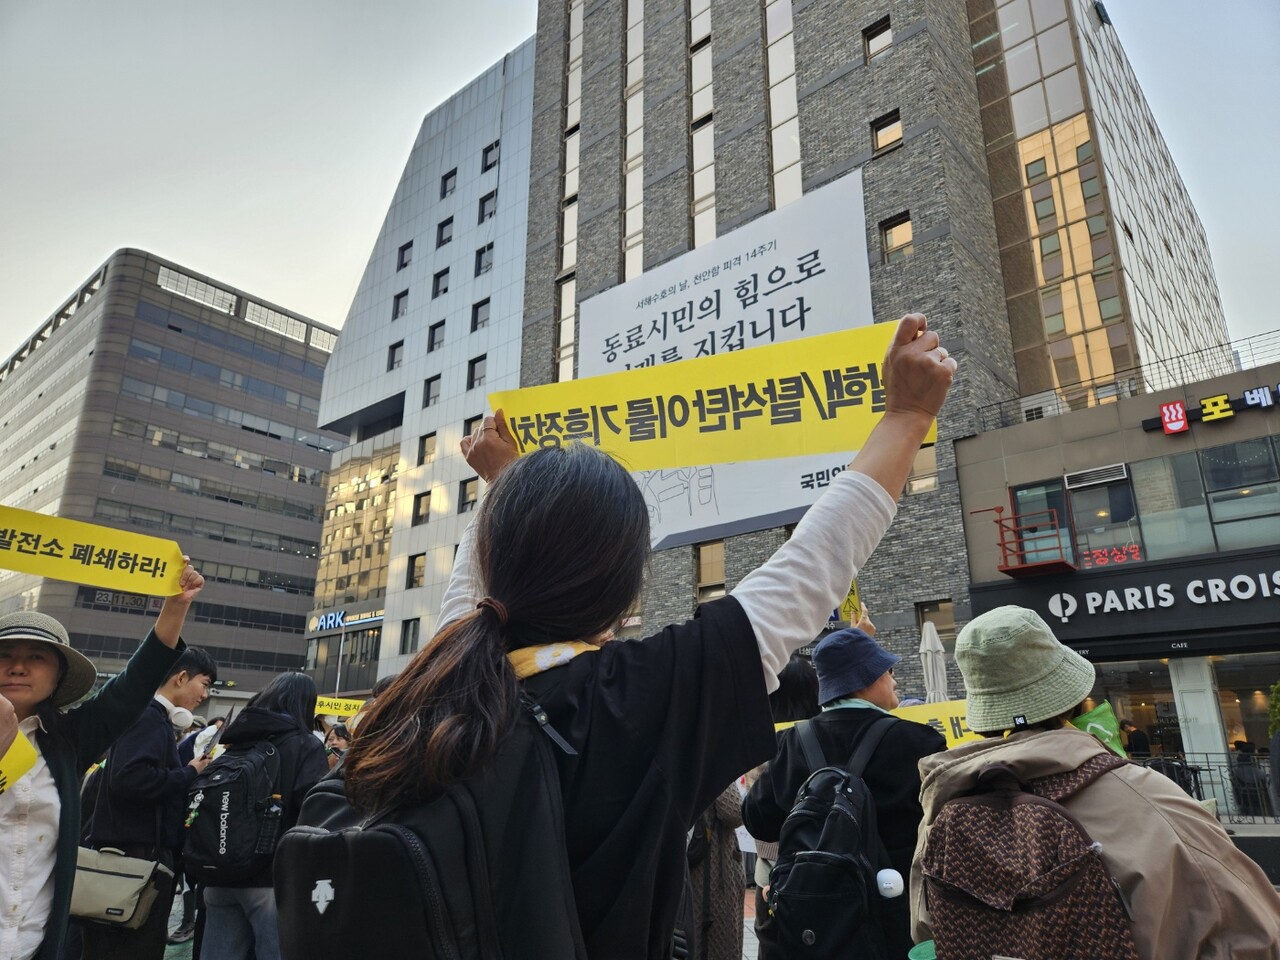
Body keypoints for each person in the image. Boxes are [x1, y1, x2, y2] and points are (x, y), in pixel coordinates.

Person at [337, 314, 956, 957]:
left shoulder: (429, 691)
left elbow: (470, 597)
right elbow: (812, 566)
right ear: (625, 592)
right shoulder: (637, 701)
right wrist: (909, 415)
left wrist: (506, 488)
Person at [910, 606, 1280, 959]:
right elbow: (1253, 931)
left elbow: (926, 929)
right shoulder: (1148, 796)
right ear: (1070, 700)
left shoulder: (941, 809)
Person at [0, 561, 205, 960]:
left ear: (59, 675)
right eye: (5, 653)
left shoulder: (68, 741)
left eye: (37, 656)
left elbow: (133, 684)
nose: (18, 665)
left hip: (33, 944)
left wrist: (176, 605)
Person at [743, 628, 946, 958]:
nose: (893, 681)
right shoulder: (919, 741)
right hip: (898, 914)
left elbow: (758, 820)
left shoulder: (792, 742)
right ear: (866, 679)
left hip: (815, 915)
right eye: (888, 671)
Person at [82, 644, 219, 960]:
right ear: (182, 677)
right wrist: (189, 772)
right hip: (135, 858)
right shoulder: (148, 718)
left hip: (135, 855)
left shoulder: (150, 717)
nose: (205, 695)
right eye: (205, 684)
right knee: (130, 949)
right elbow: (129, 779)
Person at [199, 672, 328, 960]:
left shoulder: (236, 742)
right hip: (271, 880)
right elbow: (312, 806)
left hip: (218, 875)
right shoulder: (305, 744)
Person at [689, 784, 745, 960]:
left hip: (692, 863)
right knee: (716, 942)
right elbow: (733, 812)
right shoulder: (715, 759)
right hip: (712, 870)